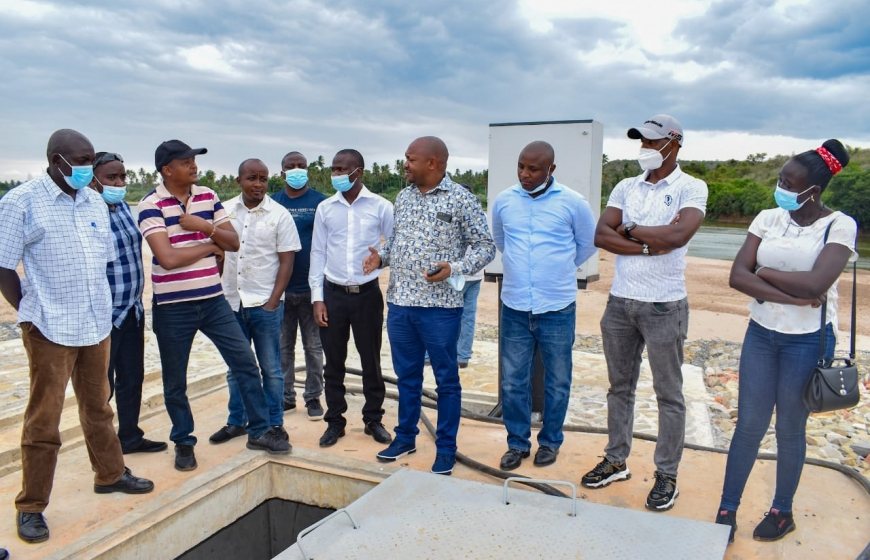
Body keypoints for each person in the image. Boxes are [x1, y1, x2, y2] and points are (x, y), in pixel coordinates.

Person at [0, 129, 154, 544]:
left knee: (98, 408)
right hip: (49, 328)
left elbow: (99, 263)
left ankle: (110, 474)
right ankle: (31, 506)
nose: (89, 169)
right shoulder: (20, 202)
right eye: (82, 161)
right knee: (43, 420)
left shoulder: (93, 202)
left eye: (91, 161)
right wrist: (30, 311)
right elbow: (2, 264)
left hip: (94, 324)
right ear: (57, 161)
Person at [715, 140, 856, 543]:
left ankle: (782, 510)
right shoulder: (767, 218)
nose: (781, 188)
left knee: (791, 428)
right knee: (749, 425)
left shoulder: (839, 225)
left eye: (790, 183)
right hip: (761, 334)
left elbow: (817, 282)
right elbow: (737, 276)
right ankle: (727, 508)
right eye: (781, 179)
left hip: (808, 341)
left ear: (814, 189)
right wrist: (790, 292)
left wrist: (765, 271)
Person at [580, 115, 707, 512]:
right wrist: (648, 240)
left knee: (669, 394)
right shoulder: (625, 186)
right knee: (620, 388)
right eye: (642, 142)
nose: (645, 150)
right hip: (620, 302)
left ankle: (666, 474)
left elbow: (679, 235)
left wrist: (629, 231)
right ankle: (616, 460)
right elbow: (601, 235)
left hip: (664, 305)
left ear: (674, 144)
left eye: (653, 143)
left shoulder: (691, 187)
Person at [138, 139, 289, 471]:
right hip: (173, 307)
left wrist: (204, 227)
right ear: (167, 169)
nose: (194, 166)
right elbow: (167, 257)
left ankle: (260, 430)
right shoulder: (151, 205)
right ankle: (183, 441)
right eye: (186, 161)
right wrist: (210, 247)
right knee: (175, 380)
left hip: (213, 301)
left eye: (194, 160)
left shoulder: (207, 195)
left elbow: (233, 242)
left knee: (245, 363)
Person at [365, 136, 495, 475]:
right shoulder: (403, 197)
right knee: (406, 377)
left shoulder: (461, 199)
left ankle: (446, 448)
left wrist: (455, 268)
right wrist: (382, 257)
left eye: (410, 159)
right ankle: (405, 436)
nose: (405, 164)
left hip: (440, 309)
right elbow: (396, 243)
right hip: (400, 305)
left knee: (446, 381)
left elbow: (484, 247)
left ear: (433, 163)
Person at [492, 141, 597, 471]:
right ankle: (517, 443)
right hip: (515, 306)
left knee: (557, 381)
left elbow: (587, 244)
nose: (525, 173)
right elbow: (500, 241)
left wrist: (558, 269)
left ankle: (550, 442)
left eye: (534, 168)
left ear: (551, 169)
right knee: (512, 380)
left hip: (557, 306)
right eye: (521, 166)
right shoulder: (504, 201)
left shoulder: (573, 203)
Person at [210, 159, 301, 445]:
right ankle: (237, 421)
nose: (258, 184)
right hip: (231, 304)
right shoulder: (223, 212)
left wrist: (273, 301)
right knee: (236, 369)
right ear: (239, 180)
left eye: (263, 179)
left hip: (265, 305)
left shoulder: (280, 215)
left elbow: (287, 261)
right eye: (252, 178)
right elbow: (217, 254)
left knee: (271, 369)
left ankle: (274, 424)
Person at [310, 149, 394, 448]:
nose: (336, 176)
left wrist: (381, 260)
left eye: (341, 170)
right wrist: (317, 298)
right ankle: (335, 421)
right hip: (333, 295)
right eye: (333, 170)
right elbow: (318, 252)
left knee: (370, 360)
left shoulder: (381, 207)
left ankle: (373, 419)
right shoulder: (325, 208)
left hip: (367, 294)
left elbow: (394, 244)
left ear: (359, 172)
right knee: (333, 362)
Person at [89, 151, 167, 455]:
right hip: (104, 316)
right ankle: (104, 451)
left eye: (123, 176)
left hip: (132, 310)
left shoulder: (122, 207)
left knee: (132, 378)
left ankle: (130, 436)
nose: (120, 182)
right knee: (100, 388)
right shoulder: (87, 212)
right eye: (112, 177)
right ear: (94, 180)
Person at [273, 152, 327, 420]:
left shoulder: (321, 203)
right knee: (283, 347)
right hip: (281, 289)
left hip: (312, 288)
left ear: (308, 171)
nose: (296, 170)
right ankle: (286, 396)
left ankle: (314, 397)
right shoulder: (273, 203)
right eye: (290, 167)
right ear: (281, 172)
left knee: (314, 347)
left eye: (301, 166)